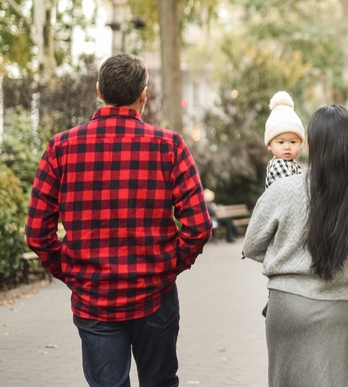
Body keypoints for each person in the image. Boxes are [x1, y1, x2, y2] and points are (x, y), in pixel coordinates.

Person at [26, 53, 213, 387]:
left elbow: (38, 233)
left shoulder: (60, 149)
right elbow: (199, 226)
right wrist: (168, 267)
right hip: (155, 295)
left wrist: (71, 272)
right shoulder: (169, 147)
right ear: (144, 94)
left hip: (93, 298)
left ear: (99, 90)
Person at [242, 104, 348, 387]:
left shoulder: (282, 190)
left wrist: (287, 252)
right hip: (341, 310)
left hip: (288, 308)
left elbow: (252, 245)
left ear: (310, 144)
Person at [264, 90, 305, 189]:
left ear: (300, 144)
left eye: (293, 142)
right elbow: (292, 192)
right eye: (281, 142)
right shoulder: (278, 165)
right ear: (269, 144)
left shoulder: (293, 165)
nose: (287, 147)